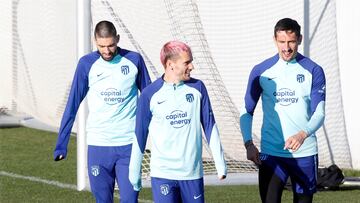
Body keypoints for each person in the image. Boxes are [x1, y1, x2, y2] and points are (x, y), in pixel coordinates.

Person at [53, 20, 151, 203]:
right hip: (99, 146)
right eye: (102, 46)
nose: (106, 51)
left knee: (130, 200)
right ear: (95, 41)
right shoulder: (86, 64)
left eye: (111, 45)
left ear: (118, 39)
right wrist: (61, 144)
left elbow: (150, 100)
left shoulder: (134, 60)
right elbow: (72, 105)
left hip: (129, 144)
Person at [128, 40, 227, 203]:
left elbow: (209, 126)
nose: (192, 66)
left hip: (192, 175)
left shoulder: (198, 88)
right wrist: (134, 170)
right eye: (187, 62)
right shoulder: (149, 94)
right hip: (162, 174)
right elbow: (140, 134)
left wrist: (220, 163)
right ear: (170, 64)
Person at [240, 18, 326, 203]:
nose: (286, 48)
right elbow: (247, 111)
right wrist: (249, 144)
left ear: (300, 39)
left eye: (291, 42)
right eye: (282, 42)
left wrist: (302, 135)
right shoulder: (260, 71)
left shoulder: (314, 70)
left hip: (305, 153)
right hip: (270, 153)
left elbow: (319, 113)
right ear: (275, 40)